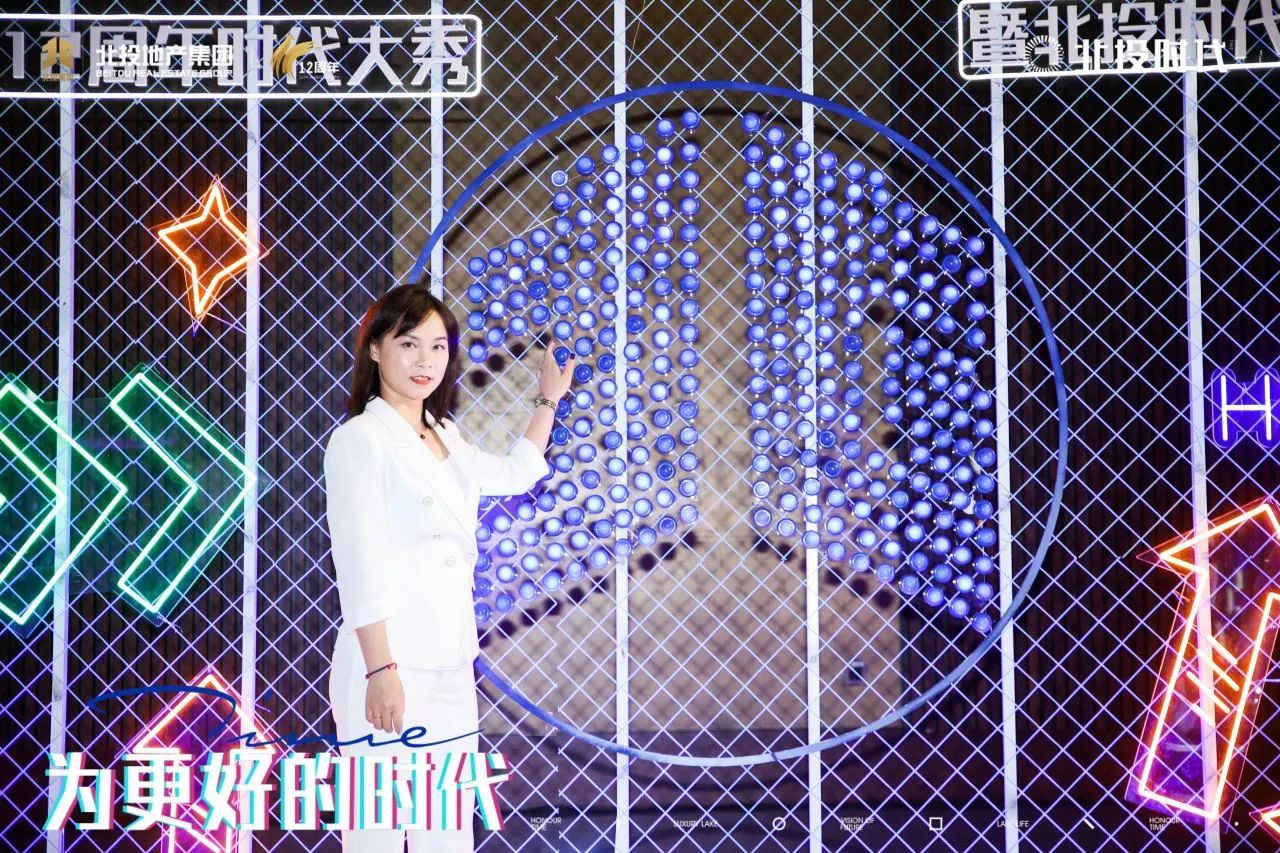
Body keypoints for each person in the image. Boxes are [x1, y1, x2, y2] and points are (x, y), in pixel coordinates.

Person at [323, 283, 575, 851]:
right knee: (377, 835)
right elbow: (357, 565)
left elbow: (516, 474)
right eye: (408, 344)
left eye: (438, 347)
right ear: (375, 349)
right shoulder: (360, 440)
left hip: (452, 665)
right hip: (390, 662)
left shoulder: (445, 435)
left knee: (447, 833)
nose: (425, 361)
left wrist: (547, 400)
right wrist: (380, 670)